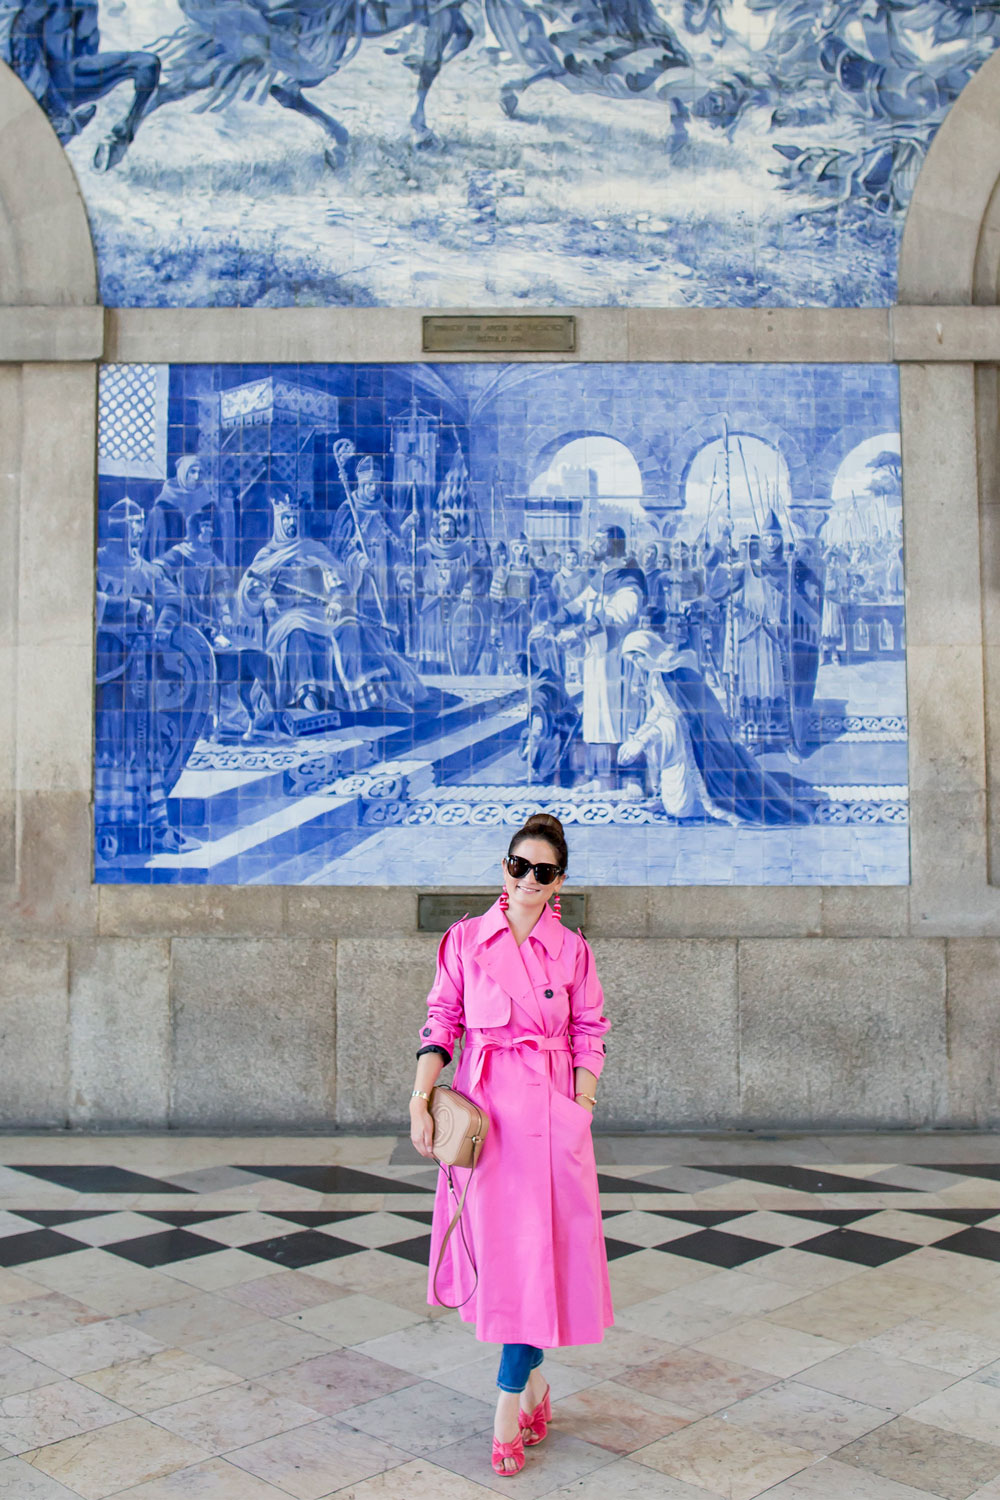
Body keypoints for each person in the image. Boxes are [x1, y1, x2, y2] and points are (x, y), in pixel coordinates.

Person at [409, 814, 612, 1479]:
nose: (528, 880)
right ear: (504, 868)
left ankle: (505, 1407)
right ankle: (533, 1389)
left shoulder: (572, 949)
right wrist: (420, 1098)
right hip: (488, 1117)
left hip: (552, 1123)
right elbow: (442, 1020)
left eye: (543, 872)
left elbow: (590, 1029)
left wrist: (579, 1105)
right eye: (518, 866)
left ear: (560, 882)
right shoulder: (466, 941)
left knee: (537, 1263)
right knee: (507, 1265)